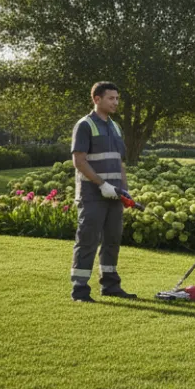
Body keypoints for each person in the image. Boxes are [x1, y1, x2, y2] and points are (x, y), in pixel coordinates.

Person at [69, 81, 135, 302]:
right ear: (97, 99)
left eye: (117, 98)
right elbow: (79, 161)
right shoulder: (85, 125)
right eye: (111, 98)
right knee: (87, 241)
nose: (116, 102)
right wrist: (102, 185)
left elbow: (119, 163)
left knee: (112, 240)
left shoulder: (115, 127)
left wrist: (124, 190)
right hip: (92, 195)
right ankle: (80, 289)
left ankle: (110, 285)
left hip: (115, 196)